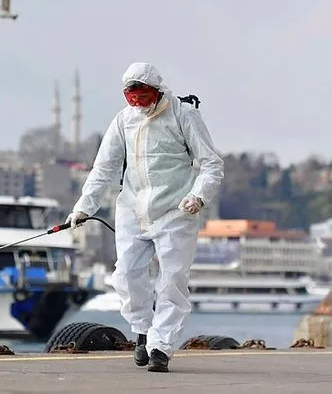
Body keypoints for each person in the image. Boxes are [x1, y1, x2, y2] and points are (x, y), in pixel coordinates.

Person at [66, 62, 224, 373]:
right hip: (132, 210)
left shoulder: (183, 115)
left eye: (141, 95)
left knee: (172, 281)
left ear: (156, 90)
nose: (136, 102)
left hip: (176, 212)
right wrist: (85, 207)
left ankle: (161, 347)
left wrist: (199, 196)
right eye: (130, 96)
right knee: (125, 274)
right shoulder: (123, 121)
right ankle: (142, 330)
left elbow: (211, 164)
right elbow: (104, 169)